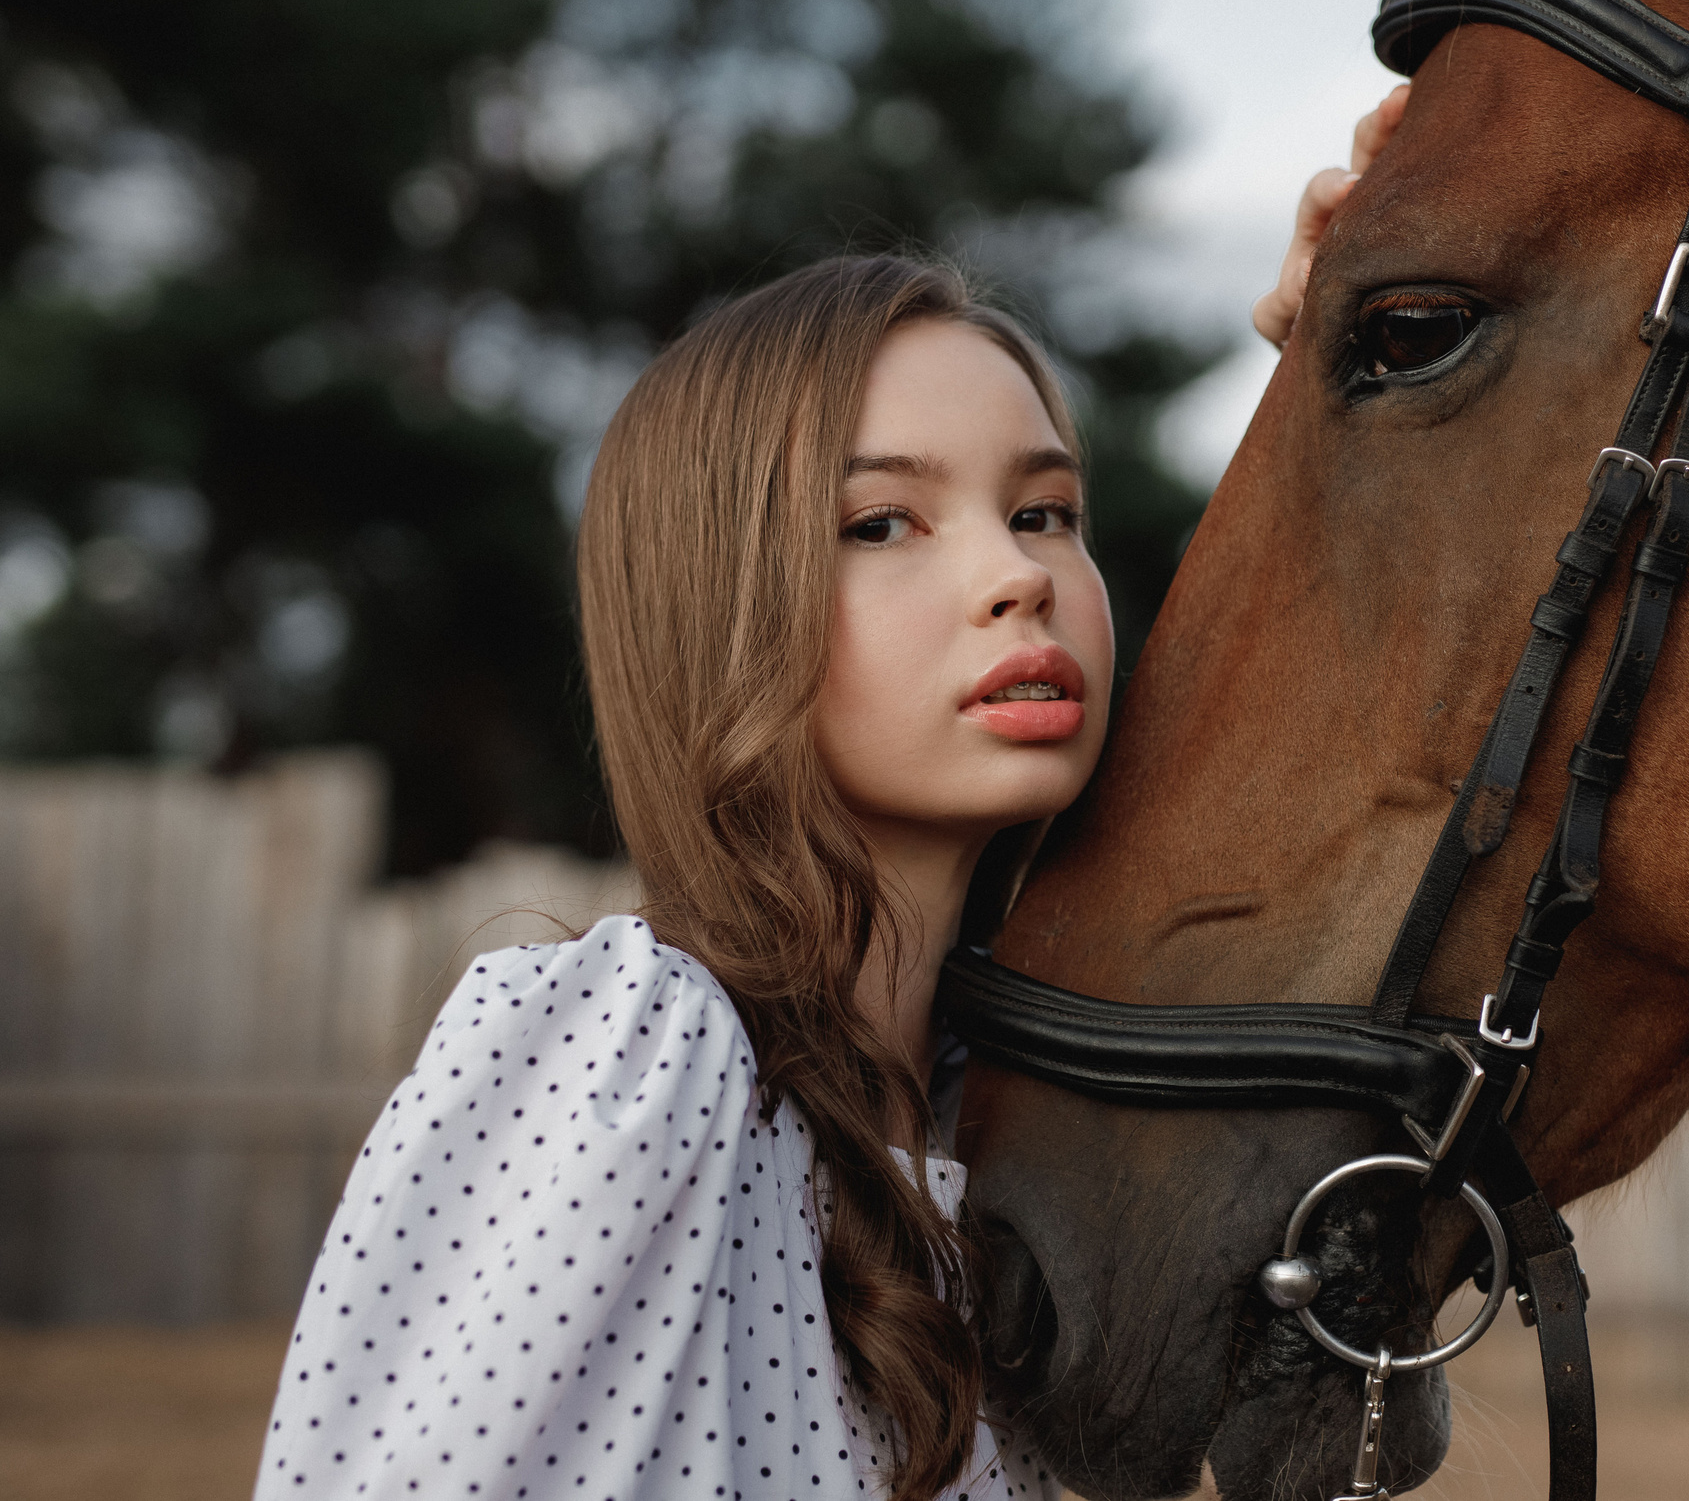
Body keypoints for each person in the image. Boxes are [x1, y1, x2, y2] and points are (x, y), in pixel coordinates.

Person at [255, 256, 1109, 1501]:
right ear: (719, 607)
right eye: (879, 523)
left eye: (1044, 512)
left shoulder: (1035, 1119)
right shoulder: (637, 1057)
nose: (1019, 576)